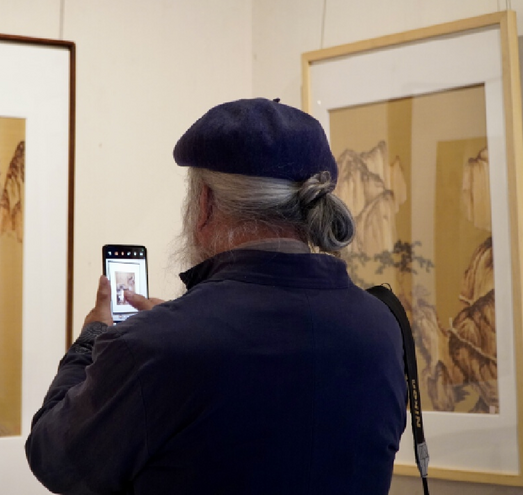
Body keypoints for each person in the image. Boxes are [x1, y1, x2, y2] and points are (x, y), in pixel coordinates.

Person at [25, 98, 407, 494]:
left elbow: (54, 459)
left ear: (204, 203)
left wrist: (94, 339)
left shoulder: (155, 346)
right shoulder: (381, 328)